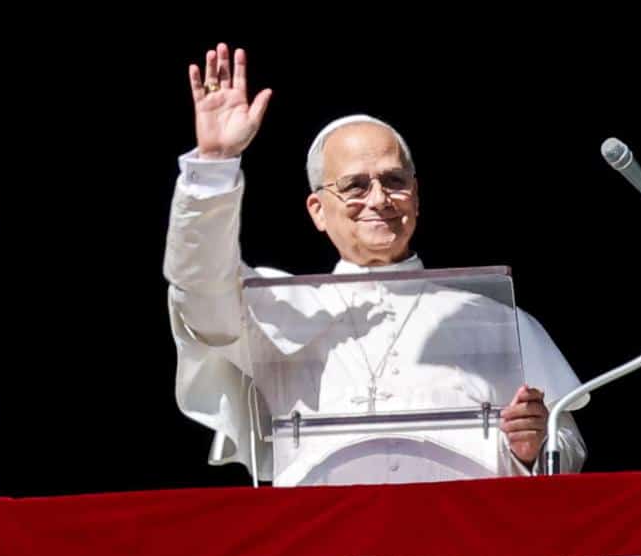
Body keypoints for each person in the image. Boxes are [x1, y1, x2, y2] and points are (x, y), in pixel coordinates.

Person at [166, 42, 586, 485]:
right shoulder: (276, 307)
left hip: (458, 541)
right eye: (354, 186)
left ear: (417, 197)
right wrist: (214, 167)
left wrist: (531, 449)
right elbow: (199, 289)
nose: (379, 199)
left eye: (394, 181)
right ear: (317, 210)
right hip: (323, 538)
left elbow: (567, 445)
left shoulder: (496, 320)